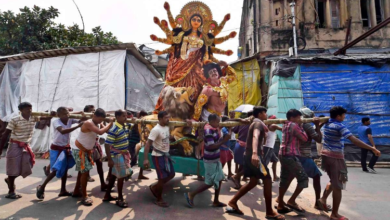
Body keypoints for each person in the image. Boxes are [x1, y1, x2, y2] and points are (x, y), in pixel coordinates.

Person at [317, 106, 381, 220]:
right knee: (338, 185)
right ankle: (334, 214)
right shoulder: (339, 126)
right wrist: (373, 148)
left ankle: (322, 199)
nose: (344, 117)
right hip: (335, 157)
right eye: (343, 115)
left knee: (333, 180)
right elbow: (354, 140)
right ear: (338, 116)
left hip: (326, 156)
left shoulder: (327, 124)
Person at [226, 106, 284, 220]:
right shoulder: (257, 124)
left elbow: (246, 126)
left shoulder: (254, 122)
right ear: (260, 114)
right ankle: (269, 212)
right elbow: (255, 136)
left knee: (253, 182)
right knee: (267, 179)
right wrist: (254, 153)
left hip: (250, 156)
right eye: (265, 113)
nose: (266, 115)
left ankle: (233, 202)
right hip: (254, 156)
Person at [0, 102, 54, 199]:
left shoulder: (33, 117)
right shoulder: (15, 120)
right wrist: (0, 149)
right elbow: (5, 134)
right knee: (13, 168)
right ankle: (11, 191)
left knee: (27, 166)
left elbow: (46, 118)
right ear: (21, 110)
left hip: (26, 145)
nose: (29, 111)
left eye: (30, 109)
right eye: (27, 109)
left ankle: (9, 180)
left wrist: (51, 114)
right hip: (15, 145)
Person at [36, 107, 84, 200]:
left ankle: (63, 190)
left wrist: (84, 114)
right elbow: (62, 131)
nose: (66, 115)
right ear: (58, 115)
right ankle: (41, 187)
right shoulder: (56, 121)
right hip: (57, 149)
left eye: (67, 113)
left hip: (65, 147)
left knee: (65, 168)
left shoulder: (70, 119)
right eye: (63, 114)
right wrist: (78, 126)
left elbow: (80, 120)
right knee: (56, 169)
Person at [184, 114, 231, 208]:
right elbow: (211, 146)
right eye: (218, 122)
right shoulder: (208, 130)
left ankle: (216, 200)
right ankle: (191, 194)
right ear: (212, 121)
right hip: (210, 160)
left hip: (216, 159)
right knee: (209, 182)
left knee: (220, 178)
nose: (219, 123)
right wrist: (223, 141)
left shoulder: (214, 129)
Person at [72, 108, 113, 206]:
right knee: (85, 173)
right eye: (99, 119)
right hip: (80, 150)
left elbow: (106, 131)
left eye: (102, 120)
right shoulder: (88, 123)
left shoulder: (97, 123)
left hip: (86, 150)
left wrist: (105, 122)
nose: (100, 121)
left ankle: (76, 191)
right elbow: (100, 132)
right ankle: (84, 196)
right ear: (94, 116)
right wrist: (110, 123)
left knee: (81, 172)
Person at [297, 107, 330, 211]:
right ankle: (317, 202)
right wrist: (317, 125)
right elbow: (318, 138)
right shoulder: (307, 125)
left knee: (292, 178)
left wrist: (319, 125)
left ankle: (281, 200)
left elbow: (312, 133)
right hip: (304, 155)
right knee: (316, 177)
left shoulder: (299, 124)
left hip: (296, 154)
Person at [277, 109, 309, 214]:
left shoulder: (286, 124)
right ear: (292, 118)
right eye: (298, 117)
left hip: (283, 154)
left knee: (284, 179)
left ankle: (280, 204)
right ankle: (291, 201)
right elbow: (304, 138)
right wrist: (301, 126)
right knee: (303, 179)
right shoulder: (294, 126)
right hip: (291, 155)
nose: (300, 119)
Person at [143, 111, 174, 208]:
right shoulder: (155, 129)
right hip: (157, 156)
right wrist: (145, 159)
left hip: (166, 155)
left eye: (168, 117)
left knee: (171, 174)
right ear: (160, 118)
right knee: (161, 178)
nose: (168, 119)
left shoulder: (167, 127)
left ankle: (154, 187)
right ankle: (159, 199)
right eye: (166, 118)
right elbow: (148, 144)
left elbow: (167, 138)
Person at [103, 109, 133, 208]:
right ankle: (120, 198)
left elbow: (133, 124)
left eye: (126, 116)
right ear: (118, 117)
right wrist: (110, 159)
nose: (126, 118)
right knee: (120, 177)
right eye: (124, 116)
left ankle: (107, 195)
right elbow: (107, 144)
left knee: (114, 176)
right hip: (117, 156)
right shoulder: (114, 128)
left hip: (123, 154)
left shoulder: (124, 126)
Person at [230, 111, 253, 189]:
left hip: (239, 145)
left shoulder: (243, 122)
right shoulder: (253, 124)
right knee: (248, 165)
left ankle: (237, 181)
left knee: (242, 165)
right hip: (244, 146)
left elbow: (234, 130)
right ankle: (236, 177)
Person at [128, 110, 149, 180]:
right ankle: (126, 173)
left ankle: (140, 174)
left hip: (139, 143)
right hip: (133, 144)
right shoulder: (138, 123)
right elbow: (141, 133)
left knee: (141, 158)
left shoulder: (142, 123)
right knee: (133, 160)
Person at [263, 115, 282, 182]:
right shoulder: (273, 126)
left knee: (275, 160)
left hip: (270, 147)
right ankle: (264, 178)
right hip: (268, 147)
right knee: (264, 164)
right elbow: (282, 129)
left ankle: (275, 176)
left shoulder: (268, 126)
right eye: (275, 119)